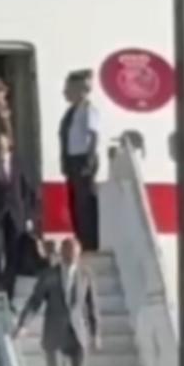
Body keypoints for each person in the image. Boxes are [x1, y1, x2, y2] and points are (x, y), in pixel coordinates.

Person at [13, 237, 99, 366]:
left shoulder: (85, 275)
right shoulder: (49, 276)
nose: (72, 259)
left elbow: (92, 306)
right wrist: (24, 324)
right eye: (68, 254)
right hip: (54, 336)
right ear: (62, 254)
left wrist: (96, 334)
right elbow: (35, 301)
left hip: (77, 335)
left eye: (75, 255)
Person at [0, 131, 41, 303]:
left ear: (8, 146)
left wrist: (29, 217)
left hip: (15, 215)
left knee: (13, 255)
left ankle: (9, 292)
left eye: (2, 146)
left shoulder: (18, 163)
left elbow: (29, 192)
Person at [58, 69, 102, 251]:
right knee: (75, 203)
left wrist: (89, 160)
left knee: (85, 203)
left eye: (68, 88)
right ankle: (81, 237)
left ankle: (89, 240)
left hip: (83, 159)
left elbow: (93, 136)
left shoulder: (88, 109)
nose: (65, 92)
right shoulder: (71, 111)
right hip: (71, 160)